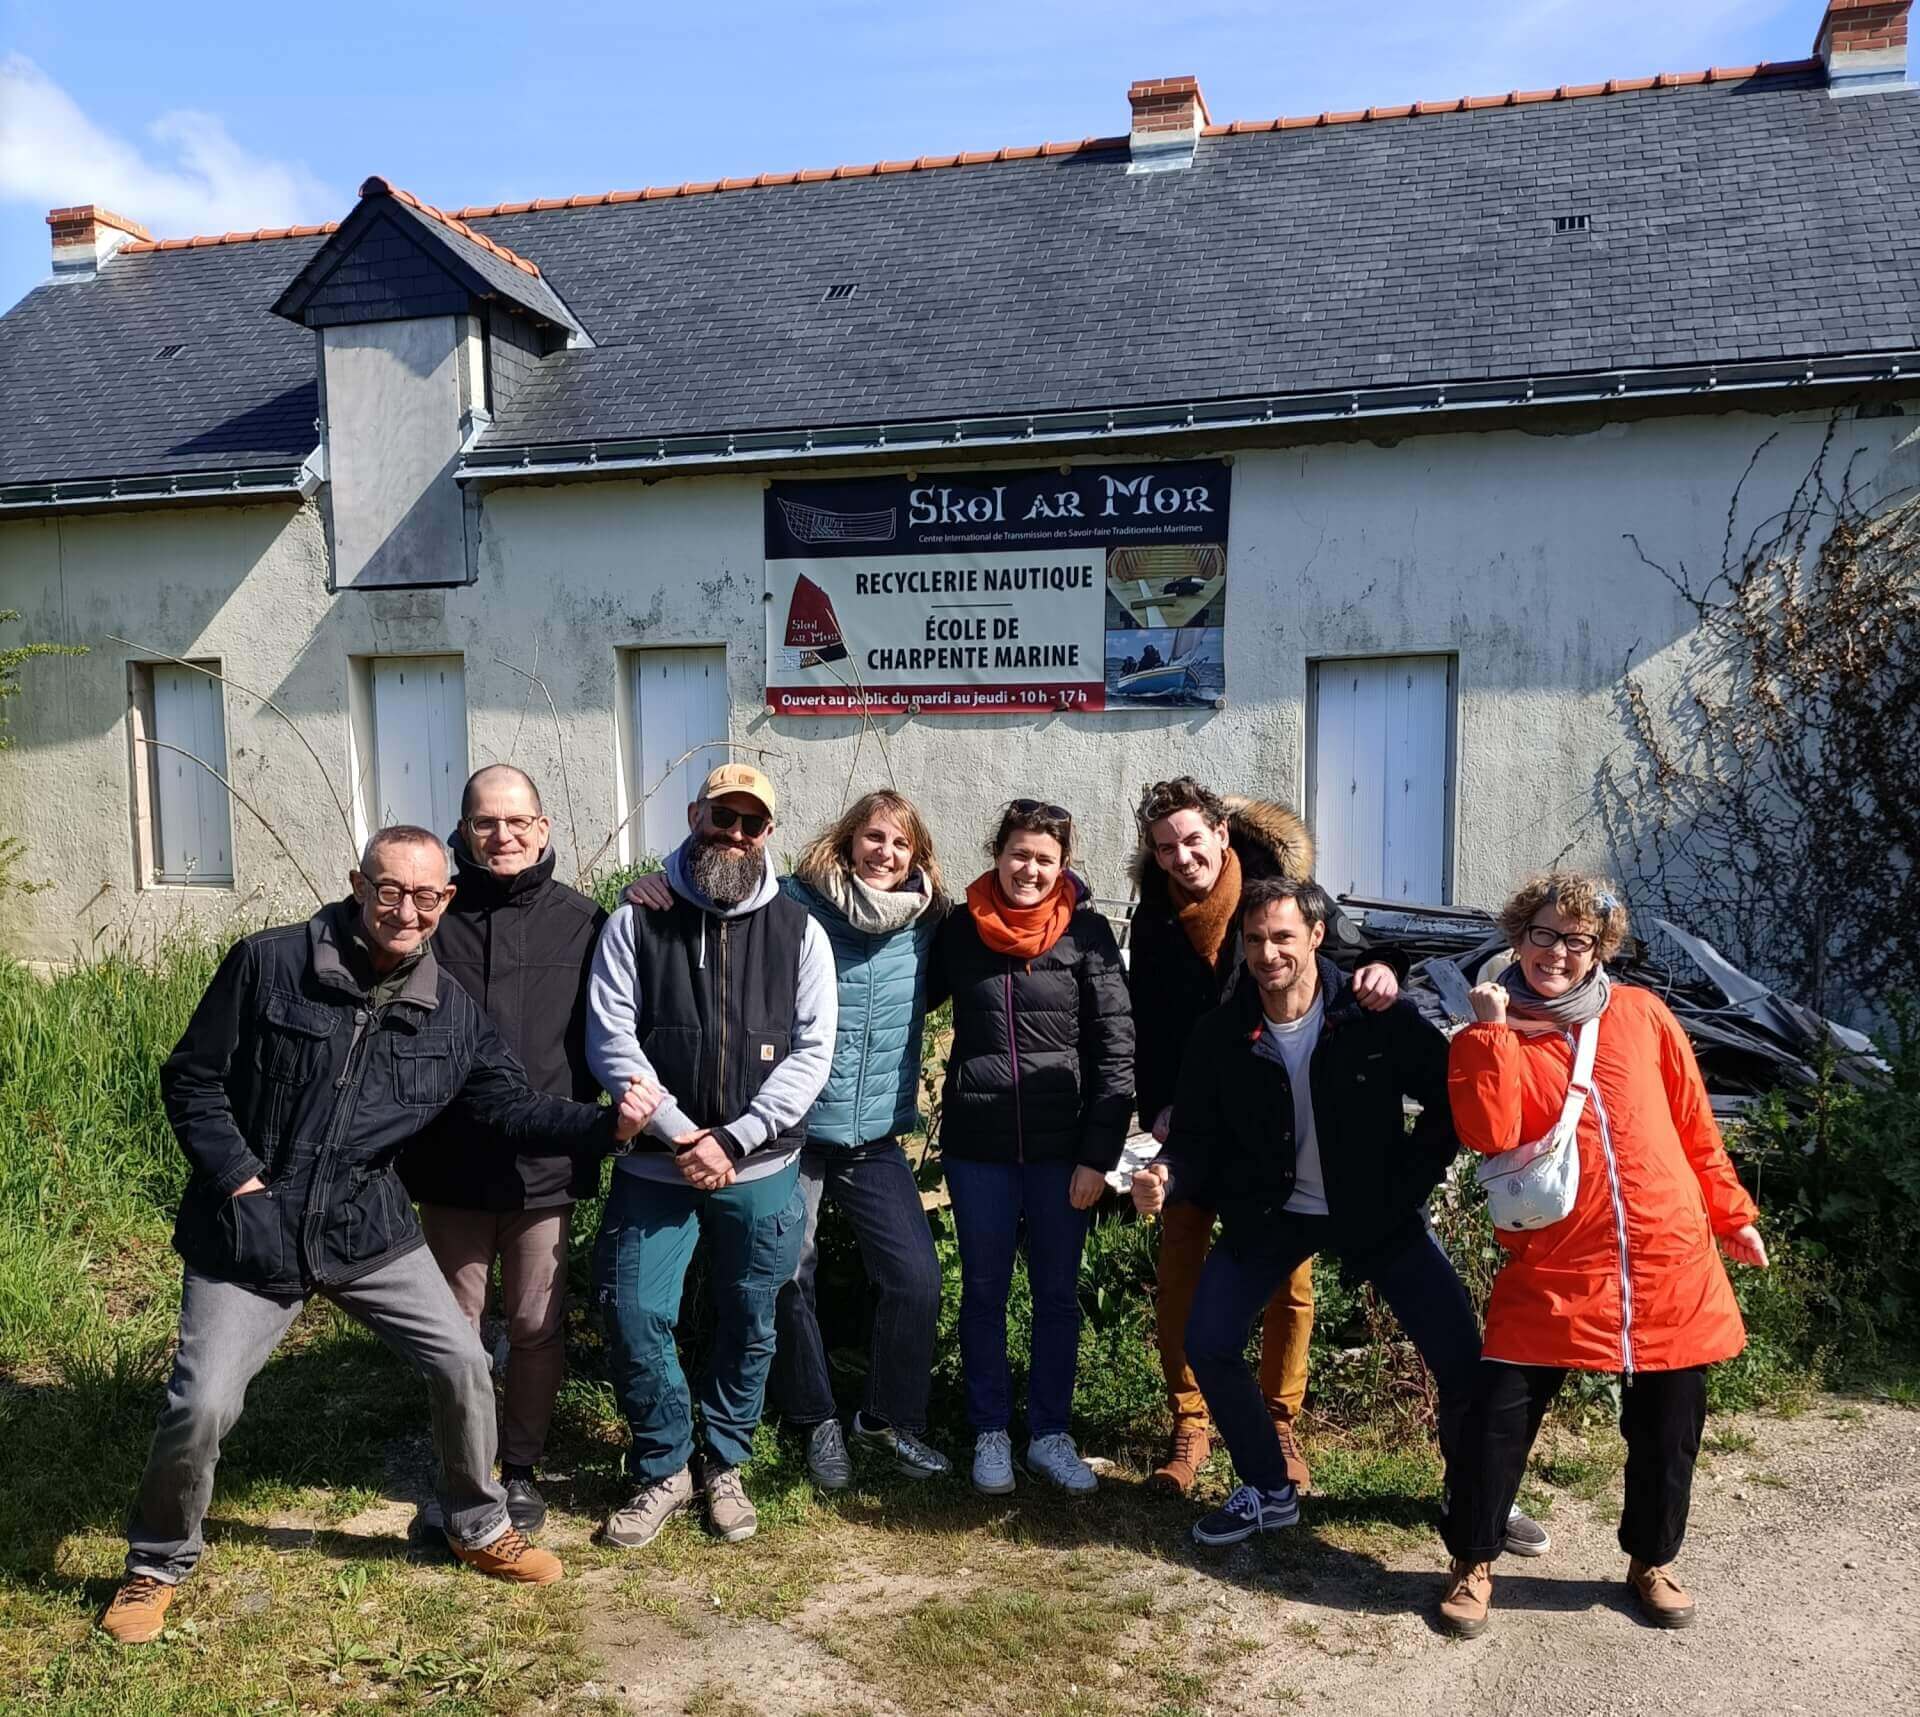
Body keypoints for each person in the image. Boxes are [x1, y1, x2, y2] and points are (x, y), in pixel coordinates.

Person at [98, 827, 660, 1644]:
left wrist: (608, 1126)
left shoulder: (450, 1011)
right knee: (202, 1402)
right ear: (358, 883)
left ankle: (477, 1523)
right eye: (390, 889)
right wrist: (241, 1180)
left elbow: (509, 1105)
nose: (407, 909)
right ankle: (155, 1563)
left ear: (446, 901)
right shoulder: (268, 961)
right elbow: (192, 1078)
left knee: (463, 1360)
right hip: (251, 1228)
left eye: (426, 896)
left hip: (366, 1228)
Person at [1132, 876, 1546, 1553]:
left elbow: (1450, 1096)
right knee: (1206, 1338)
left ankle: (1479, 1493)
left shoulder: (1370, 1013)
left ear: (1317, 936)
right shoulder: (1222, 1033)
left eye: (1283, 936)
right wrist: (1166, 1176)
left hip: (1374, 1211)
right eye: (1256, 939)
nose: (1269, 953)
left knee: (1460, 1352)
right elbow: (1196, 1141)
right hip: (1272, 1214)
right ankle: (1268, 1486)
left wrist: (1409, 1182)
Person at [1437, 874, 1768, 1638]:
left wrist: (1731, 1214)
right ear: (1519, 937)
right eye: (1544, 934)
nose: (1557, 951)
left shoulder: (1645, 1015)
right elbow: (1489, 1131)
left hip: (1668, 1256)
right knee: (1499, 1415)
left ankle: (1651, 1559)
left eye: (1576, 938)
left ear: (1599, 949)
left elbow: (1694, 1126)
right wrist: (1487, 1035)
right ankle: (1473, 1560)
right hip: (1557, 1261)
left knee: (1672, 1422)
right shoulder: (1491, 1028)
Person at [626, 789, 951, 1489]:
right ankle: (816, 1417)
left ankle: (889, 1417)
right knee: (784, 1274)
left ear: (917, 856)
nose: (884, 852)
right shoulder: (796, 904)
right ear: (847, 837)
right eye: (873, 837)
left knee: (916, 1278)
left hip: (874, 1139)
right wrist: (650, 879)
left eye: (900, 843)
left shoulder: (928, 924)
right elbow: (716, 884)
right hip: (793, 1133)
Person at [585, 763, 836, 1550]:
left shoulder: (800, 930)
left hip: (758, 1166)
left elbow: (813, 1051)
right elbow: (610, 1038)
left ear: (769, 834)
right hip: (657, 1164)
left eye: (749, 823)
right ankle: (664, 1464)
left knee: (751, 1315)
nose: (732, 834)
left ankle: (724, 1462)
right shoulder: (636, 920)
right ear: (693, 815)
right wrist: (682, 1131)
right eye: (719, 817)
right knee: (632, 1310)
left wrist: (734, 1137)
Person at [1127, 777, 1401, 1495]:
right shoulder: (1152, 916)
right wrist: (1157, 1104)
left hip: (1273, 1119)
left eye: (1192, 839)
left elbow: (1360, 955)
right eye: (1165, 847)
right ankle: (1190, 1421)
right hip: (1190, 1123)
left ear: (1221, 830)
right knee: (1180, 1270)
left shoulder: (1285, 888)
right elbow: (1147, 1021)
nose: (1182, 857)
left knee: (1289, 1277)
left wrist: (1379, 973)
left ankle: (1279, 1421)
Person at [399, 765, 608, 1536]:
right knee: (454, 1327)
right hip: (450, 1161)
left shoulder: (586, 921)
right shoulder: (433, 918)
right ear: (463, 830)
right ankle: (465, 1468)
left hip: (542, 1164)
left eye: (517, 821)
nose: (503, 835)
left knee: (533, 1326)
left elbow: (604, 1037)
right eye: (486, 822)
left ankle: (518, 1469)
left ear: (544, 828)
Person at [933, 798, 1133, 1497]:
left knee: (1055, 1295)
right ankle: (990, 1429)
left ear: (1063, 866)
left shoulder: (1087, 933)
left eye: (1046, 858)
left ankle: (1049, 1432)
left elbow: (1116, 1045)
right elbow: (902, 986)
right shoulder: (959, 928)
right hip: (977, 1146)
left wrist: (1097, 1156)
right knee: (983, 1291)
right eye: (1020, 853)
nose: (1030, 868)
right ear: (998, 852)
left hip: (1062, 1153)